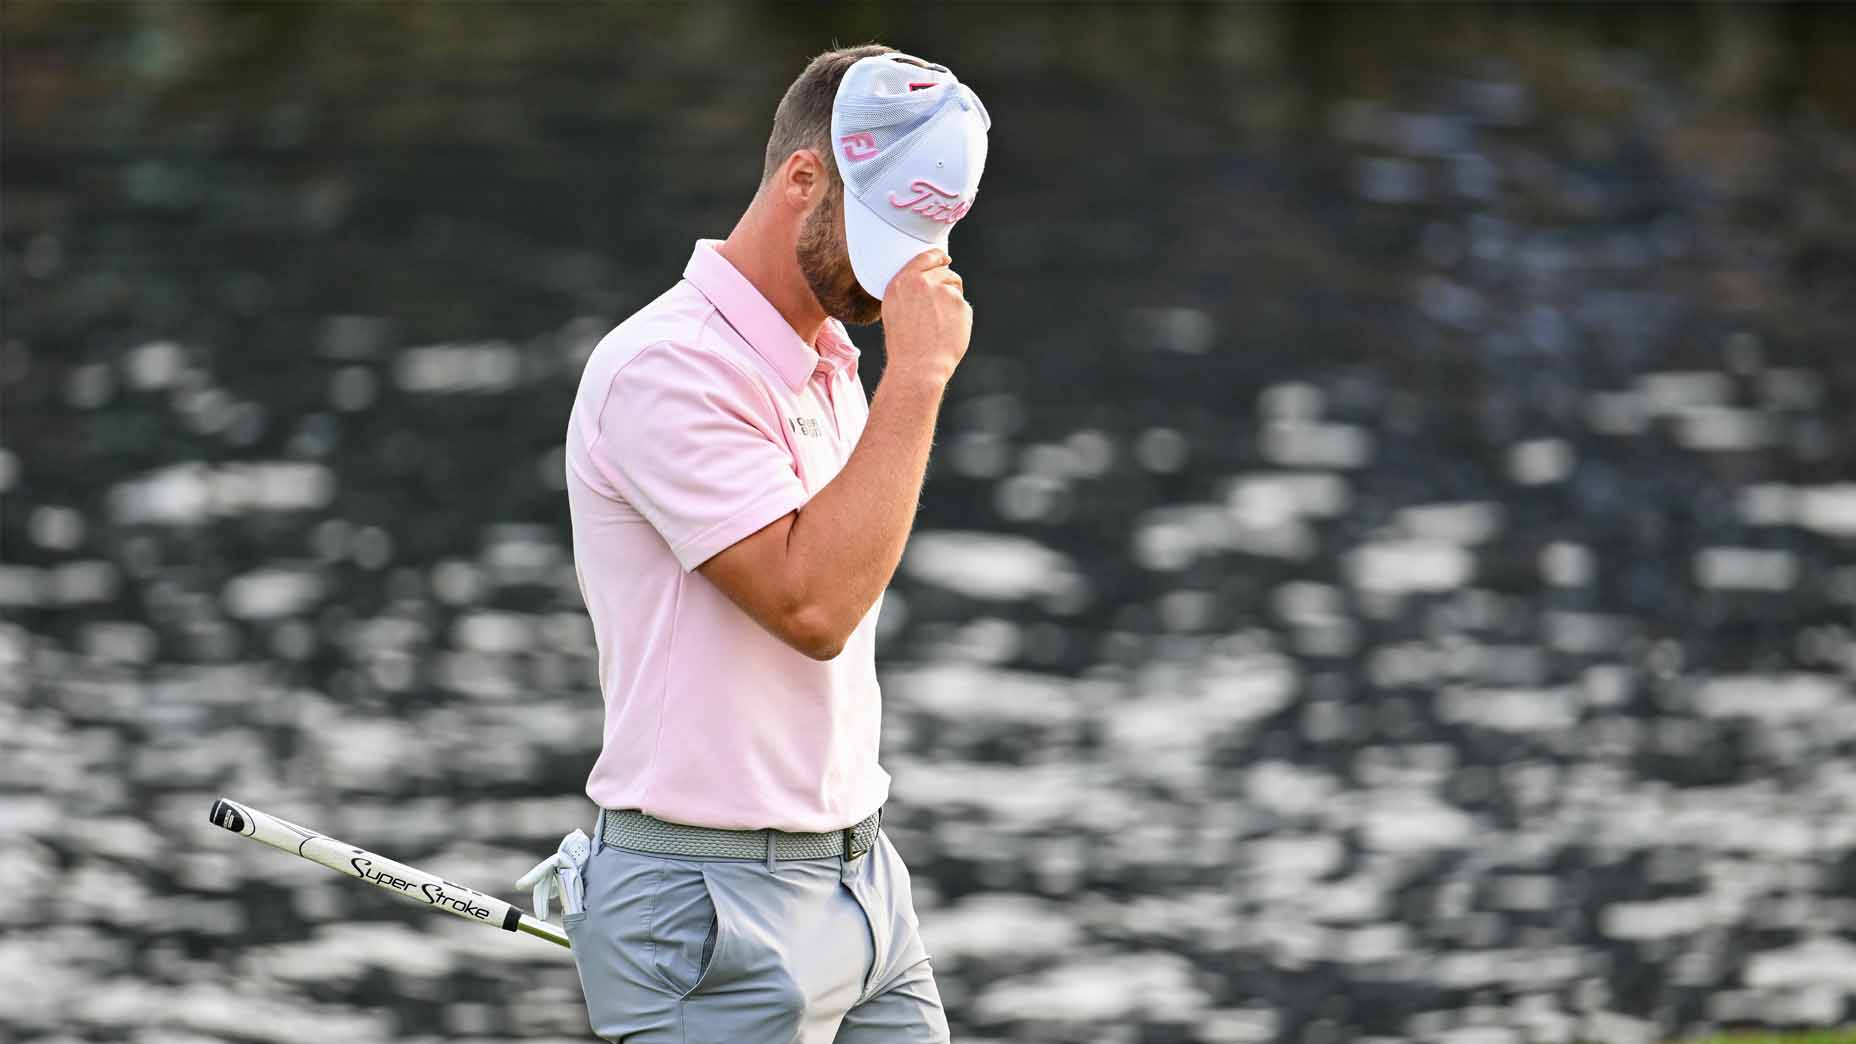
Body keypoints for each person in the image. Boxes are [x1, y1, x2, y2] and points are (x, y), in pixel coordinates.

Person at [526, 44, 989, 1044]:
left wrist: (887, 377)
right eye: (883, 229)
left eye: (923, 234)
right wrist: (915, 379)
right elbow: (812, 607)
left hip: (863, 883)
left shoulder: (827, 360)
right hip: (703, 913)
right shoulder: (663, 369)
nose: (902, 271)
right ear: (801, 178)